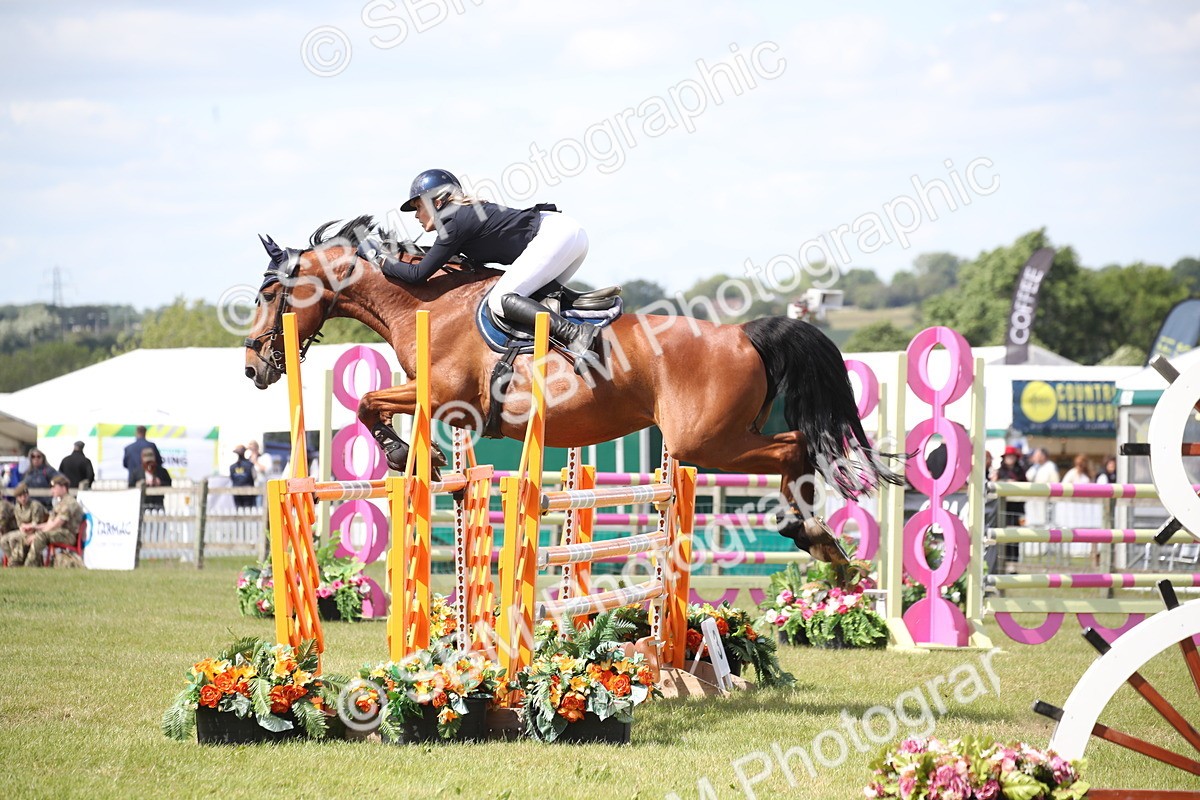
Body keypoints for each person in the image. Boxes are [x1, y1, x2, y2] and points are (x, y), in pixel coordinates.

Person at [357, 168, 600, 368]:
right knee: (534, 299)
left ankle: (576, 335)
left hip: (556, 236)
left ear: (437, 201)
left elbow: (418, 274)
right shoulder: (459, 218)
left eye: (419, 206)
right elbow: (431, 257)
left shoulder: (453, 222)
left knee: (501, 299)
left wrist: (378, 258)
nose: (416, 215)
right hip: (569, 235)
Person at [12, 475, 83, 567]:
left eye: (54, 487)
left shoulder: (69, 502)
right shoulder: (60, 503)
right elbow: (50, 524)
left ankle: (29, 565)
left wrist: (37, 534)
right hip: (58, 533)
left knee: (41, 536)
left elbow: (56, 524)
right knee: (30, 534)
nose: (52, 490)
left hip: (68, 535)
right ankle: (15, 563)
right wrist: (33, 527)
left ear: (63, 487)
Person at [0, 483, 49, 566]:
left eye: (25, 495)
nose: (23, 498)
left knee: (13, 539)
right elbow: (20, 524)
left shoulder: (35, 506)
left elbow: (37, 523)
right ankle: (13, 561)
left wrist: (28, 528)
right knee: (4, 540)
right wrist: (23, 528)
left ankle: (17, 561)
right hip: (24, 531)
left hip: (38, 532)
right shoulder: (17, 508)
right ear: (17, 498)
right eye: (20, 496)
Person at [1024, 448, 1061, 527]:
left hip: (1045, 500)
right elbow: (1028, 477)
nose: (1034, 457)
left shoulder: (1050, 466)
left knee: (1045, 524)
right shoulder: (1035, 467)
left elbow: (1055, 482)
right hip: (1033, 500)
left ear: (1043, 456)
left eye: (1037, 455)